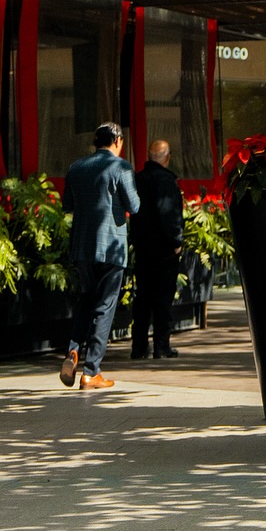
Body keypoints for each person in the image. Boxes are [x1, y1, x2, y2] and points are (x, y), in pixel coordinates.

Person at [58, 121, 141, 390]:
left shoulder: (76, 167)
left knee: (85, 301)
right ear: (117, 141)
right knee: (104, 308)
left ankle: (72, 351)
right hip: (112, 248)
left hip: (82, 247)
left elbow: (67, 205)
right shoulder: (121, 167)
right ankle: (91, 372)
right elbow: (134, 206)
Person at [131, 138, 184, 362]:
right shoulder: (166, 181)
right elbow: (169, 213)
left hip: (143, 247)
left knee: (142, 297)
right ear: (167, 157)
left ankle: (139, 346)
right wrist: (176, 240)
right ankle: (161, 346)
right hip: (163, 248)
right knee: (163, 298)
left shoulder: (138, 179)